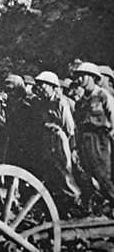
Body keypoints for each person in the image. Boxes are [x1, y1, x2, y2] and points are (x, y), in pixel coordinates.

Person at [32, 71, 80, 201]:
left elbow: (70, 128)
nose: (41, 88)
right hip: (47, 138)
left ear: (52, 86)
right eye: (40, 85)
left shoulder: (61, 102)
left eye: (44, 85)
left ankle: (75, 198)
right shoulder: (43, 103)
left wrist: (72, 148)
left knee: (65, 170)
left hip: (60, 138)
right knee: (52, 169)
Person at [72, 62, 114, 202]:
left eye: (82, 76)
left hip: (100, 138)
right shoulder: (80, 102)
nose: (79, 80)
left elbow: (112, 115)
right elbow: (76, 125)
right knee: (88, 174)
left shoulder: (103, 95)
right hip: (84, 140)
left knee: (103, 174)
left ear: (91, 77)